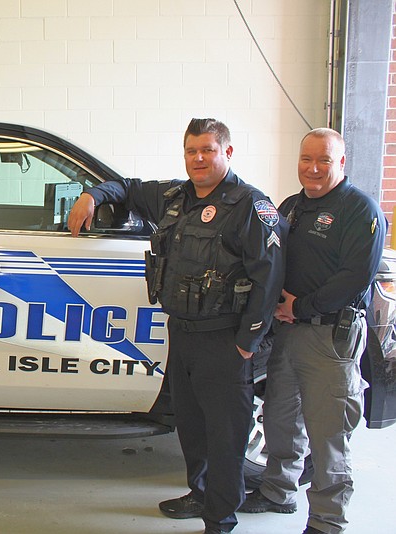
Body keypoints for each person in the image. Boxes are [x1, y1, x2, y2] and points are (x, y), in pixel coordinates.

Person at [67, 118, 286, 534]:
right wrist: (91, 194)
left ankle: (220, 517)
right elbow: (126, 187)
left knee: (225, 433)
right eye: (191, 151)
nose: (199, 158)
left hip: (225, 338)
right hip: (181, 331)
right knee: (191, 423)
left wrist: (248, 341)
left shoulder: (251, 207)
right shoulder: (175, 197)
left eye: (208, 150)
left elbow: (269, 275)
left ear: (227, 153)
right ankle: (199, 493)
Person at [238, 128, 385, 534]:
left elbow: (354, 278)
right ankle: (278, 490)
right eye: (307, 159)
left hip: (329, 337)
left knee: (328, 434)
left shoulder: (361, 210)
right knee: (281, 417)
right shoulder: (291, 207)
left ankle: (326, 521)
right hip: (287, 332)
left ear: (341, 162)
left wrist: (299, 305)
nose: (313, 169)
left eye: (324, 160)